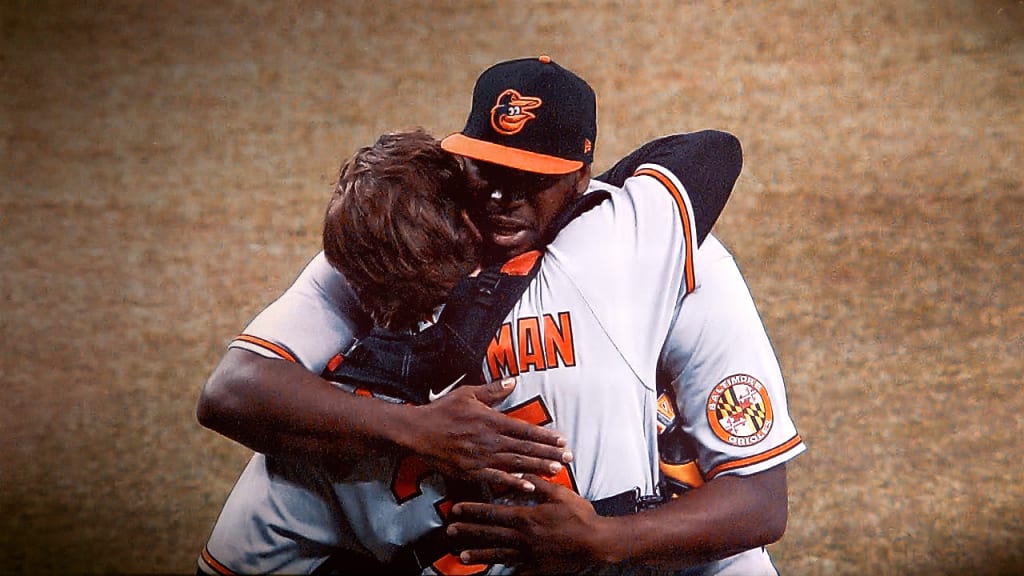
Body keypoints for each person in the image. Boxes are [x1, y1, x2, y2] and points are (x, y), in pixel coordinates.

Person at [197, 56, 804, 575]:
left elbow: (759, 505)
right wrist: (418, 430)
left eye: (529, 177)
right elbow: (230, 389)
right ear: (455, 165)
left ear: (580, 177)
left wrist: (608, 540)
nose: (498, 195)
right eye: (485, 170)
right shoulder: (390, 255)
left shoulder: (656, 253)